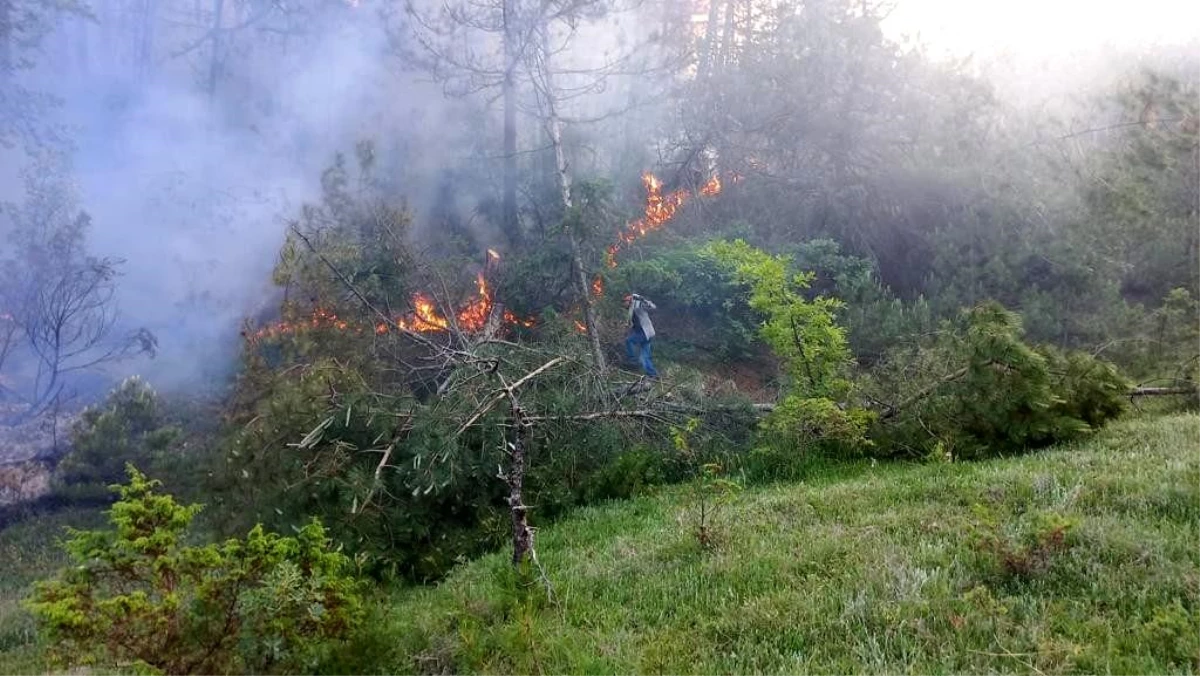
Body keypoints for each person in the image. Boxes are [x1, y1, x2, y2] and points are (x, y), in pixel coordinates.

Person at [625, 293, 659, 379]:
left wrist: (643, 299)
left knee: (629, 341)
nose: (624, 303)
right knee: (645, 357)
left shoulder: (637, 306)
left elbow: (653, 306)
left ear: (630, 302)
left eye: (625, 301)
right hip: (647, 334)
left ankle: (633, 360)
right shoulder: (631, 311)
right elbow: (632, 324)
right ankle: (653, 374)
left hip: (645, 333)